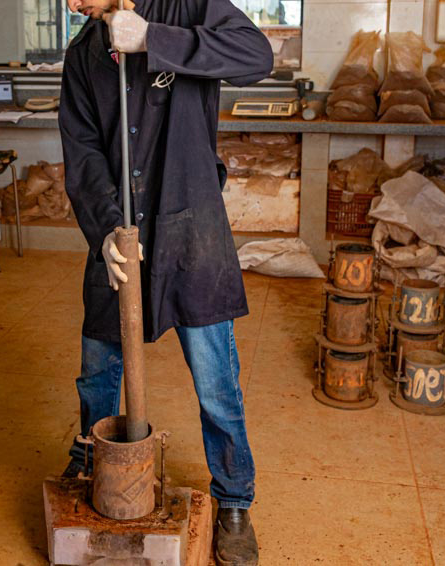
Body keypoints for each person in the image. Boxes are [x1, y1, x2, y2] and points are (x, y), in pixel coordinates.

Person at [59, 1, 273, 564]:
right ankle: (91, 459)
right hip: (118, 234)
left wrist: (156, 39)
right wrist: (105, 229)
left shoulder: (187, 5)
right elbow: (81, 155)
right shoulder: (83, 53)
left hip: (190, 226)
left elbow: (256, 56)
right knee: (97, 369)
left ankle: (233, 499)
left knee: (216, 383)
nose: (69, 2)